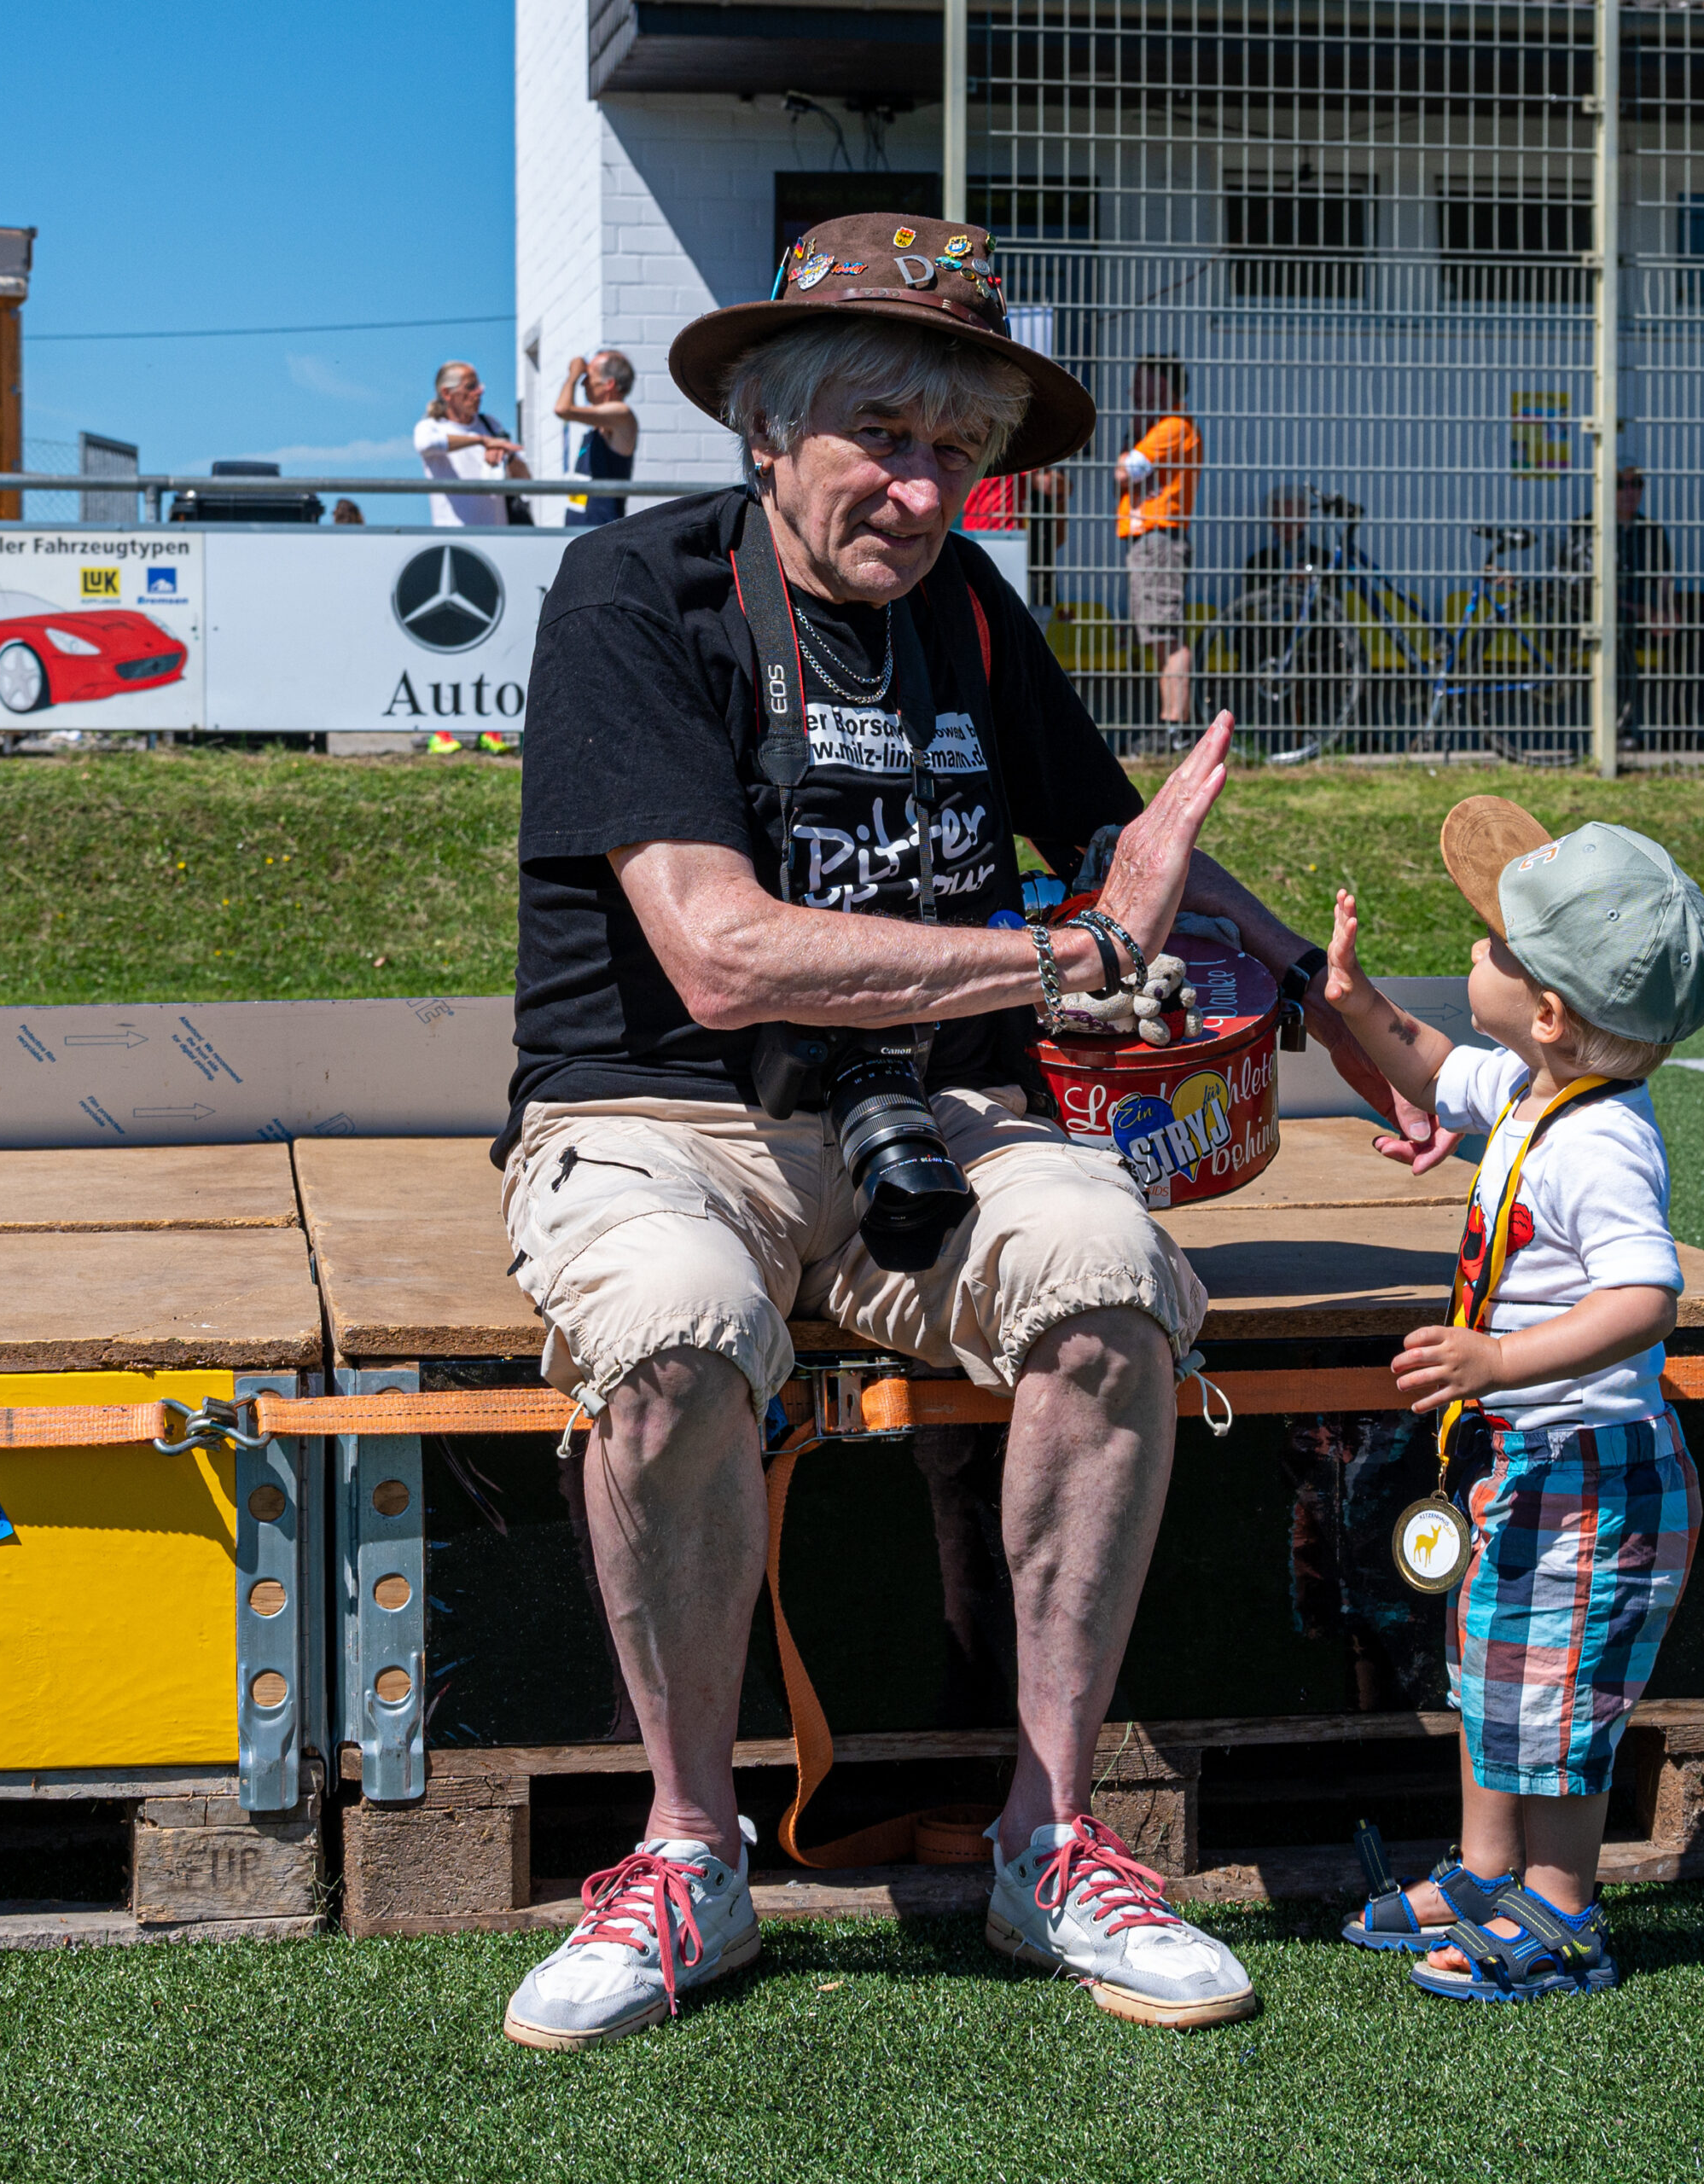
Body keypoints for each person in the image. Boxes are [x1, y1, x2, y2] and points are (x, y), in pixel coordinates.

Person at [490, 212, 1454, 2053]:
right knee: (676, 1322)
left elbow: (1116, 851)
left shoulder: (971, 611)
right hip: (660, 1113)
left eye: (957, 450)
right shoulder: (634, 593)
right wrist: (1060, 955)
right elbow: (717, 953)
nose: (925, 490)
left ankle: (1048, 1836)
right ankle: (689, 1848)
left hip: (939, 1110)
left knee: (1108, 1273)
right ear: (766, 427)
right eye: (881, 434)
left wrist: (1331, 1006)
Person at [1321, 793, 1704, 2001]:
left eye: (1497, 946)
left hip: (1595, 1472)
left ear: (1548, 1014)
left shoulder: (1599, 1142)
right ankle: (1486, 1874)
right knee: (1496, 1672)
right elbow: (1431, 1065)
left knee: (1557, 1701)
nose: (1474, 949)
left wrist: (1500, 1361)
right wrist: (1355, 1005)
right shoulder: (1534, 1087)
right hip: (1532, 1460)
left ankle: (1561, 1913)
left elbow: (1645, 1297)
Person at [1116, 355, 1202, 730]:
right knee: (1158, 634)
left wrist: (1128, 448)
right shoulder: (1162, 427)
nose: (1132, 391)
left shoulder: (1172, 426)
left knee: (1166, 633)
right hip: (1151, 538)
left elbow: (1124, 472)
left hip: (1159, 539)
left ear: (1162, 385)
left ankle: (1175, 727)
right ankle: (1171, 724)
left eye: (1141, 382)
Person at [1562, 465, 1675, 739]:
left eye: (1636, 484)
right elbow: (1584, 590)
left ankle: (1680, 727)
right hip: (1594, 618)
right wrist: (1642, 611)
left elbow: (1665, 582)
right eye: (1620, 485)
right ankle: (1619, 728)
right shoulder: (1586, 528)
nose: (1629, 492)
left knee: (1696, 632)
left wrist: (1666, 612)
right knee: (1617, 628)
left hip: (1644, 619)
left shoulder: (1652, 531)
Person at [413, 362, 527, 526]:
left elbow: (526, 478)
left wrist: (507, 456)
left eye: (478, 386)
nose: (480, 392)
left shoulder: (491, 424)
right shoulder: (431, 427)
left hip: (497, 534)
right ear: (447, 393)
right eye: (471, 387)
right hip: (454, 535)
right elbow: (425, 444)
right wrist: (481, 440)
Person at [962, 464, 1067, 612]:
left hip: (972, 534)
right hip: (1006, 537)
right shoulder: (1014, 458)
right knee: (1009, 604)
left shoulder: (977, 460)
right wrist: (1063, 484)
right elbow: (1048, 484)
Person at [555, 350, 639, 526]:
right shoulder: (597, 427)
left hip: (602, 530)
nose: (584, 383)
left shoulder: (622, 415)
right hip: (580, 529)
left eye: (589, 376)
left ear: (609, 384)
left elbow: (563, 409)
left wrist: (573, 376)